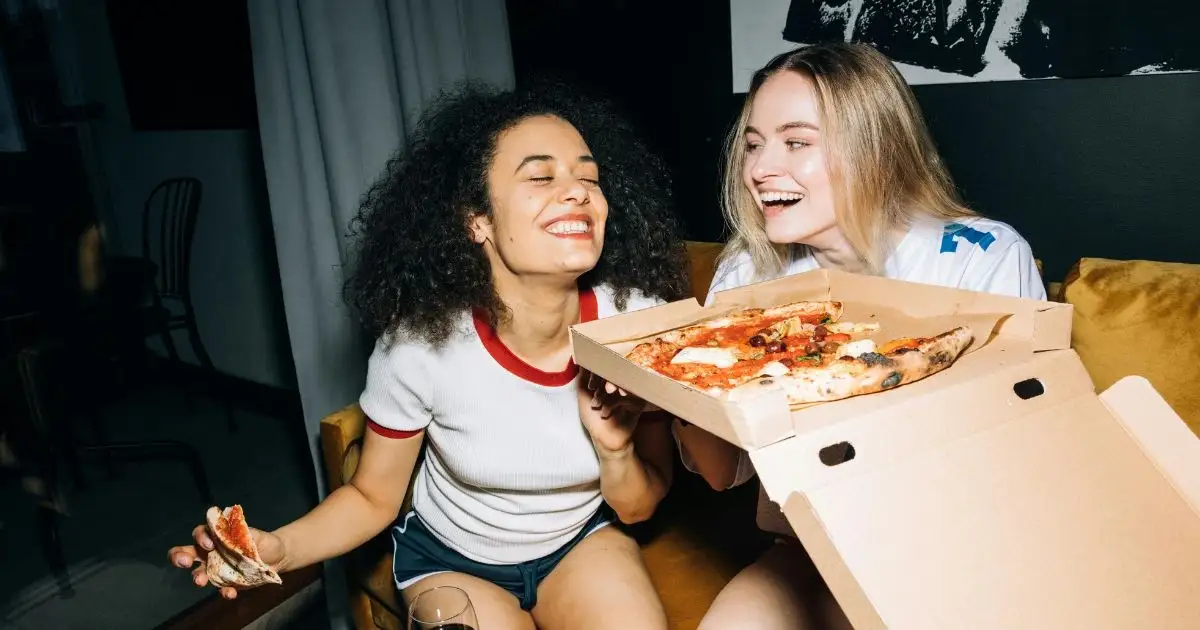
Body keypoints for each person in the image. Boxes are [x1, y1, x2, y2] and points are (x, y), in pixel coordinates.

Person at [168, 80, 691, 630]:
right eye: (541, 177)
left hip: (579, 543)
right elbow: (372, 497)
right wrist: (279, 548)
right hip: (451, 563)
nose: (578, 192)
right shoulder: (421, 347)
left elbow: (639, 505)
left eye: (589, 177)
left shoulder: (641, 326)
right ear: (477, 220)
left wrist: (614, 454)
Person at [674, 42, 1047, 630]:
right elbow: (723, 474)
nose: (758, 168)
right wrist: (670, 393)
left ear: (874, 145)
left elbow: (1014, 464)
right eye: (753, 143)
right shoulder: (747, 271)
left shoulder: (981, 259)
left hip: (951, 552)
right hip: (810, 554)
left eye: (796, 142)